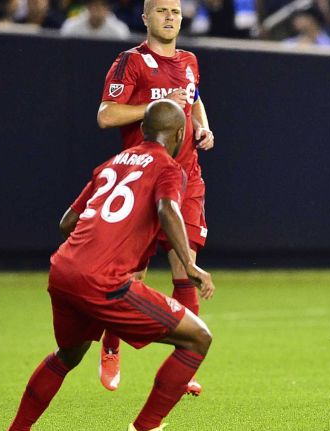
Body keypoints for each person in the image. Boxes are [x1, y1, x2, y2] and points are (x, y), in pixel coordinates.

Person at [8, 99, 215, 431]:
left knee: (68, 355)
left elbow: (67, 222)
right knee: (198, 338)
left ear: (144, 129)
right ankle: (145, 427)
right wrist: (188, 263)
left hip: (63, 271)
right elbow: (166, 209)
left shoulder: (112, 163)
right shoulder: (168, 167)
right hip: (102, 281)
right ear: (180, 133)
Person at [96, 0, 215, 395]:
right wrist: (158, 106)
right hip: (142, 178)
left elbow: (194, 101)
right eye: (161, 10)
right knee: (133, 278)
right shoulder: (129, 61)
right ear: (145, 17)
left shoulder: (190, 60)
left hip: (186, 179)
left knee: (186, 265)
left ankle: (182, 366)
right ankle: (112, 344)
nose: (169, 17)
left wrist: (202, 128)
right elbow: (107, 115)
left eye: (175, 11)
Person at [59, 0, 131, 39]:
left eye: (102, 5)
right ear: (88, 7)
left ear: (108, 8)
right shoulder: (72, 26)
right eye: (94, 5)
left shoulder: (119, 30)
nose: (97, 9)